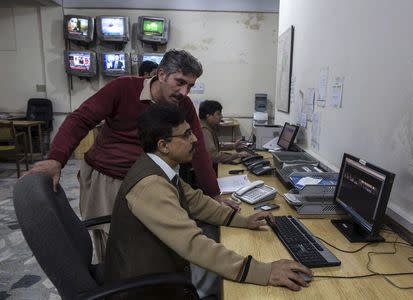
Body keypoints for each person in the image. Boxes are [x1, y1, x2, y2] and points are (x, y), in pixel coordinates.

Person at [26, 49, 235, 262]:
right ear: (161, 74)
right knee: (115, 248)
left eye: (189, 85)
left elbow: (197, 150)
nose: (184, 92)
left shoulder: (184, 105)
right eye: (179, 82)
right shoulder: (123, 88)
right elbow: (80, 119)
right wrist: (56, 158)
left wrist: (214, 194)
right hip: (110, 177)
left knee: (151, 246)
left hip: (152, 181)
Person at [104, 104, 312, 299]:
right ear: (163, 145)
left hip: (158, 265)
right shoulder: (151, 185)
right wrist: (263, 272)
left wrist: (243, 220)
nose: (195, 138)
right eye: (186, 134)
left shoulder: (160, 168)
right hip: (143, 286)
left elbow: (196, 201)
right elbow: (192, 243)